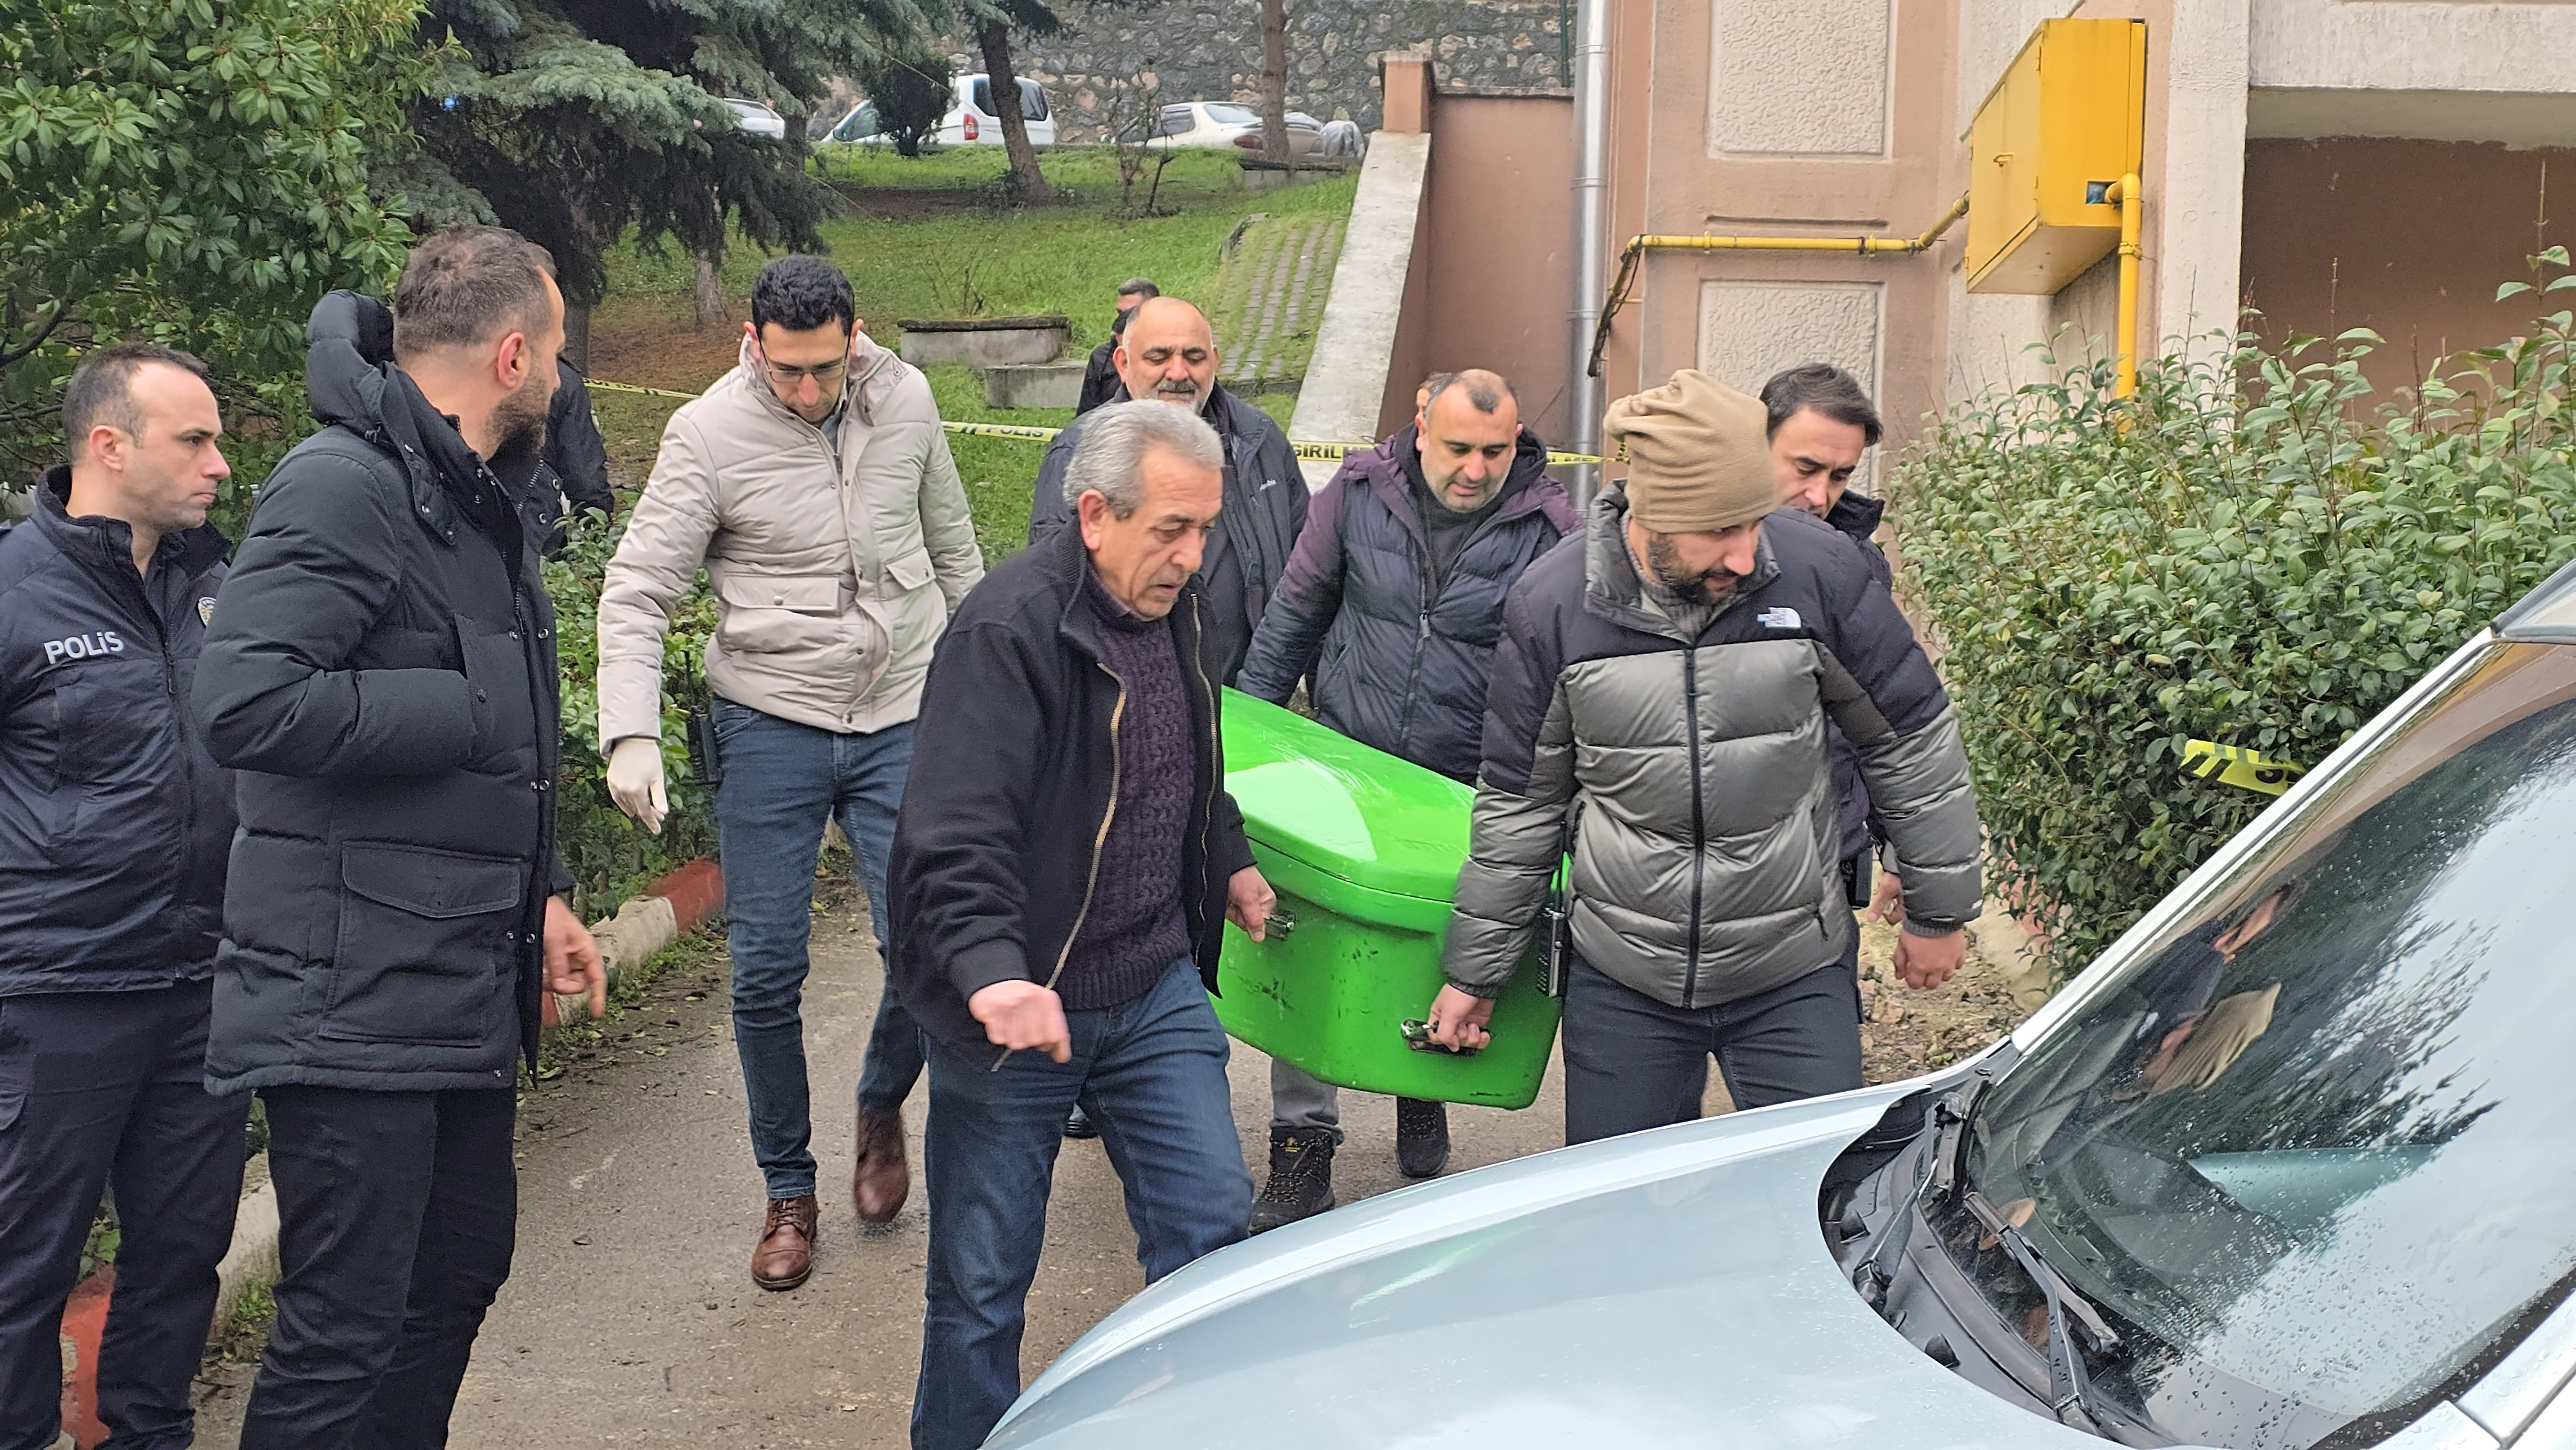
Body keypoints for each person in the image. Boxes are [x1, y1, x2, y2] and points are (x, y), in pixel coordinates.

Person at [193, 225, 606, 1449]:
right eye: (558, 354)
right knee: (345, 1326)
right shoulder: (345, 483)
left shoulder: (471, 495)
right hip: (348, 995)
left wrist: (543, 891)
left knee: (459, 1267)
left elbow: (506, 742)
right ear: (513, 354)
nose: (563, 381)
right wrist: (454, 709)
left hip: (449, 972)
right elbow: (242, 700)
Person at [1425, 370, 1984, 1144]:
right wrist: (1475, 972)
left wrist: (1938, 908)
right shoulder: (1553, 603)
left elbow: (1910, 743)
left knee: (1820, 1188)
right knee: (1621, 1200)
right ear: (1652, 515)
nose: (1746, 557)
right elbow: (1521, 803)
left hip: (1793, 965)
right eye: (1719, 531)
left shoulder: (1821, 572)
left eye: (1754, 524)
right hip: (1625, 976)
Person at [889, 400, 1274, 1450]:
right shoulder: (1008, 630)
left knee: (1212, 1230)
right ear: (1096, 515)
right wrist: (991, 974)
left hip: (1152, 985)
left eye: (1206, 530)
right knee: (981, 1286)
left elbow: (1189, 757)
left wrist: (1228, 857)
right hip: (1020, 1004)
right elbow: (951, 832)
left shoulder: (1177, 607)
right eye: (1172, 530)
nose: (1194, 557)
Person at [596, 254, 983, 1289]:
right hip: (771, 719)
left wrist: (987, 699)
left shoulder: (908, 401)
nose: (807, 391)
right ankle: (788, 1190)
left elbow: (956, 555)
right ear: (752, 346)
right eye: (786, 371)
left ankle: (880, 1100)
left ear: (855, 338)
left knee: (928, 946)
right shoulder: (708, 433)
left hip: (904, 709)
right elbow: (638, 589)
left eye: (825, 368)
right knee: (767, 968)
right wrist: (630, 730)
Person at [1233, 369, 1575, 1228]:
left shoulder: (1551, 529)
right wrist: (1238, 746)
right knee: (1315, 955)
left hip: (1464, 788)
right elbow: (1292, 617)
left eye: (1495, 451)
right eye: (1458, 448)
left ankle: (1419, 1087)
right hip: (1344, 772)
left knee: (1437, 947)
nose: (1476, 468)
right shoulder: (1355, 495)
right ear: (1421, 427)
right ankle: (1302, 1145)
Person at [0, 345, 245, 1450]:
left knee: (183, 1253)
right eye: (194, 441)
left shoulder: (218, 587)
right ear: (109, 446)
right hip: (57, 993)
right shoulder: (16, 591)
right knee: (23, 1263)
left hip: (203, 987)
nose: (219, 465)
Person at [1028, 295, 1304, 689]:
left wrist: (1267, 686)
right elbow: (1056, 594)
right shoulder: (1079, 453)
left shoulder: (1260, 440)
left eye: (1194, 357)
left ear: (1215, 361)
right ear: (1123, 363)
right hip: (1132, 698)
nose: (1178, 372)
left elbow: (1306, 573)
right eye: (1158, 357)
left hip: (1254, 700)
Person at [1761, 361, 1906, 993]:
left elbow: (1886, 716)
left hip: (1823, 870)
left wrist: (1900, 850)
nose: (1820, 496)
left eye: (1840, 475)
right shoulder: (1685, 555)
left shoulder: (1860, 568)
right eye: (1805, 469)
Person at [534, 356, 616, 550]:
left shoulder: (463, 368)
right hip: (536, 537)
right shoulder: (560, 378)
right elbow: (584, 477)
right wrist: (599, 540)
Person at [1075, 276, 1158, 415]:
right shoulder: (1101, 357)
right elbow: (1086, 414)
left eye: (1133, 312)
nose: (1124, 319)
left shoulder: (1176, 356)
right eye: (1120, 313)